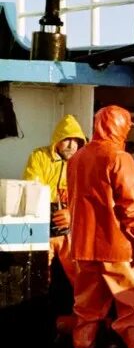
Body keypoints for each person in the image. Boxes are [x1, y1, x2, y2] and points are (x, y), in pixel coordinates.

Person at [67, 105, 134, 348]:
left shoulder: (77, 158)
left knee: (86, 309)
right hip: (118, 249)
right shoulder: (120, 158)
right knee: (133, 307)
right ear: (120, 127)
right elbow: (130, 205)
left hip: (83, 248)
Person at [22, 113, 87, 289]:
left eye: (77, 141)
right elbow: (32, 189)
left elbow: (88, 196)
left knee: (80, 274)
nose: (72, 145)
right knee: (40, 273)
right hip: (42, 227)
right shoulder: (39, 156)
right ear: (57, 140)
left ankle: (85, 315)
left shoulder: (83, 162)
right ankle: (41, 312)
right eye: (67, 139)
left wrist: (71, 213)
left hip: (71, 229)